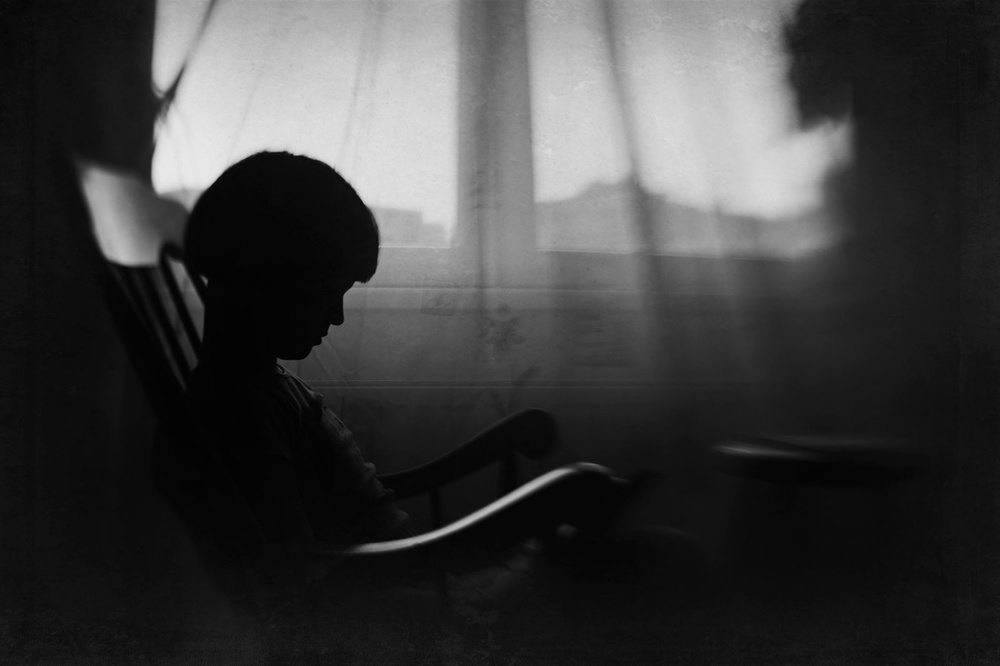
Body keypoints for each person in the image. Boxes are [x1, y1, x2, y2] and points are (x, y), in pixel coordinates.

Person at [183, 151, 411, 551]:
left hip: (401, 567)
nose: (338, 316)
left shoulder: (264, 384)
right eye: (328, 293)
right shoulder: (241, 411)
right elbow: (297, 567)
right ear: (267, 281)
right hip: (388, 579)